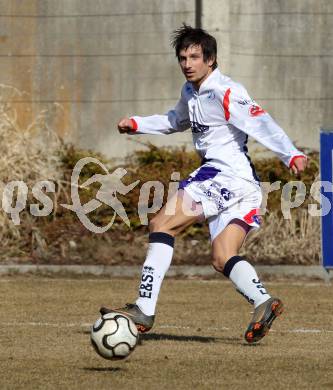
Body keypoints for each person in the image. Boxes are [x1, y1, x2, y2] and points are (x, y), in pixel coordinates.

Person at [100, 24, 307, 343]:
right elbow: (175, 121)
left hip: (224, 174)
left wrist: (290, 154)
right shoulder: (191, 92)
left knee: (161, 223)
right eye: (182, 57)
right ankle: (263, 301)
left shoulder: (226, 90)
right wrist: (137, 124)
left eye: (194, 57)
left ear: (211, 59)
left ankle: (144, 309)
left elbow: (261, 121)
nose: (187, 63)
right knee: (222, 256)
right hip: (244, 186)